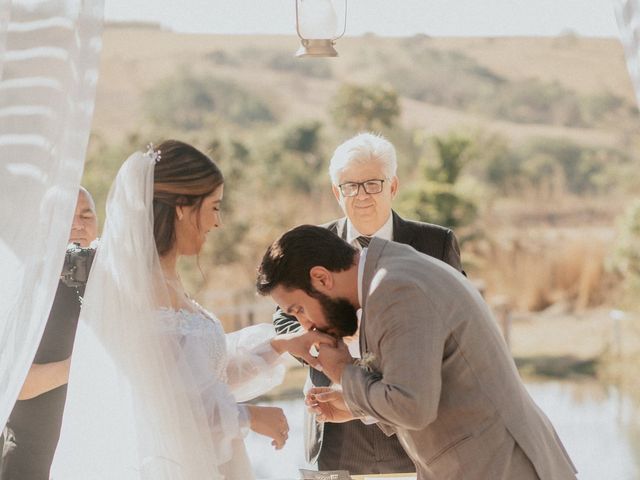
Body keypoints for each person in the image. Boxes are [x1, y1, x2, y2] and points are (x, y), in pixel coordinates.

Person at [52, 141, 334, 480]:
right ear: (182, 208)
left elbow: (206, 379)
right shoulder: (144, 294)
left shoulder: (168, 282)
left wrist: (280, 346)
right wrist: (251, 417)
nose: (217, 222)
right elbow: (170, 410)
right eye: (214, 207)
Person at [257, 225, 578, 480]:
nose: (305, 324)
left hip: (499, 469)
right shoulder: (392, 271)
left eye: (298, 309)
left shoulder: (394, 289)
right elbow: (422, 385)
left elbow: (412, 407)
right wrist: (356, 406)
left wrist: (343, 371)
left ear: (321, 277)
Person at [272, 132, 463, 474]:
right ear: (336, 192)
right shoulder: (309, 246)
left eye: (373, 184)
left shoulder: (435, 244)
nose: (362, 196)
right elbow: (285, 320)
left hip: (416, 424)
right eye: (350, 186)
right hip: (335, 426)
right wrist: (328, 337)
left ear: (392, 187)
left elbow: (456, 324)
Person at [1, 187, 98, 480]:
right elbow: (14, 384)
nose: (78, 225)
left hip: (95, 454)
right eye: (65, 218)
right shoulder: (24, 291)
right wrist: (83, 365)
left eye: (86, 214)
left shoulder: (108, 287)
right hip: (34, 460)